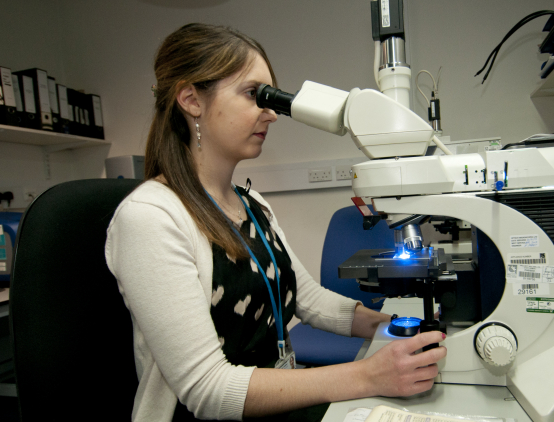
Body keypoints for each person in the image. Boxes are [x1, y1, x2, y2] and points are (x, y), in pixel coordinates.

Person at [105, 23, 446, 422]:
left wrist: (391, 325)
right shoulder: (150, 218)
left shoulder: (253, 206)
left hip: (275, 405)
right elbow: (208, 390)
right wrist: (368, 375)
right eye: (254, 94)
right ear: (190, 99)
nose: (271, 113)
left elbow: (307, 299)